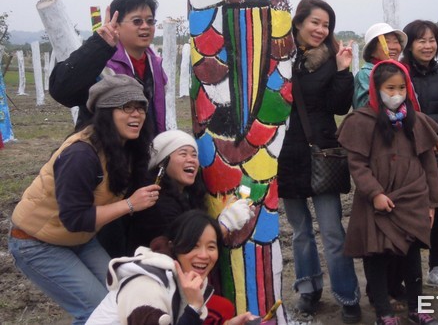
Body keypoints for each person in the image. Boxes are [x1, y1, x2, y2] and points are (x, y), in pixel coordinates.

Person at [9, 74, 161, 324]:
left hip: (80, 239)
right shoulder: (81, 154)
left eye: (140, 107)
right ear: (106, 112)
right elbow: (75, 218)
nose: (137, 115)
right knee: (99, 312)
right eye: (126, 107)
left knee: (124, 294)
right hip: (36, 242)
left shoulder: (126, 147)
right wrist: (130, 203)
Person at [338, 60, 438, 325]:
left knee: (411, 255)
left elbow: (429, 164)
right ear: (375, 88)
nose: (396, 94)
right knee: (377, 255)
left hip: (412, 197)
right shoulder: (361, 121)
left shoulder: (416, 121)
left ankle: (417, 308)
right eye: (389, 88)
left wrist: (432, 202)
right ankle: (383, 312)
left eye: (401, 87)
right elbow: (357, 165)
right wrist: (374, 193)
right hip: (377, 201)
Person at [276, 0, 361, 323]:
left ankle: (347, 295)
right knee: (299, 230)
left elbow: (340, 107)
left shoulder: (331, 59)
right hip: (286, 154)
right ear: (298, 23)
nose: (321, 29)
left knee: (332, 231)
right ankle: (308, 288)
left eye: (326, 25)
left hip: (321, 151)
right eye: (315, 22)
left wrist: (342, 71)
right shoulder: (279, 58)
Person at [87, 210, 259, 325]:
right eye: (194, 245)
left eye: (211, 247)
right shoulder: (146, 285)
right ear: (174, 246)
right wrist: (194, 307)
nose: (204, 255)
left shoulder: (184, 280)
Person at [49, 0, 167, 136]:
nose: (145, 26)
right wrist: (99, 45)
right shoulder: (101, 64)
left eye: (150, 21)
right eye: (137, 21)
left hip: (145, 153)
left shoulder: (155, 64)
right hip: (105, 152)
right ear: (116, 25)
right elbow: (61, 90)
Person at [400, 19, 438, 289]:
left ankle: (436, 267)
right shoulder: (399, 75)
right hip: (405, 151)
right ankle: (403, 268)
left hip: (437, 150)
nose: (428, 46)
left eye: (432, 40)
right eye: (421, 40)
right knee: (405, 208)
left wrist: (423, 124)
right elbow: (397, 114)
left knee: (437, 208)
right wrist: (422, 124)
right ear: (410, 45)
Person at [127, 129, 254, 255]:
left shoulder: (189, 196)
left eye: (194, 155)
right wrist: (227, 223)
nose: (191, 160)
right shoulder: (153, 199)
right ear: (163, 162)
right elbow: (185, 248)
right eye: (183, 154)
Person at [353, 22, 409, 109]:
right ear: (372, 49)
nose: (393, 47)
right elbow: (364, 109)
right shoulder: (366, 74)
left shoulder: (402, 71)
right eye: (386, 42)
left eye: (396, 42)